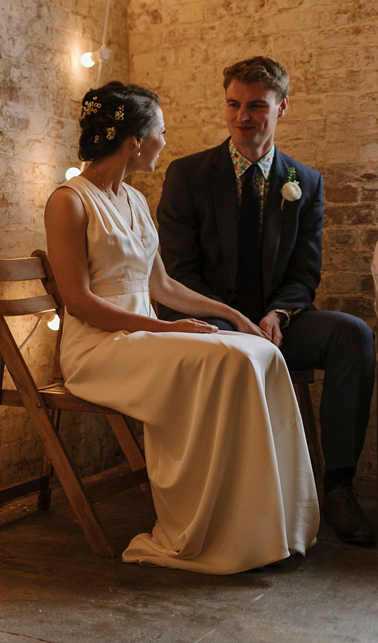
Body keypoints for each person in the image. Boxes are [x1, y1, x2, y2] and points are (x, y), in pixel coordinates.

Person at [45, 81, 319, 574]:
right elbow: (79, 302)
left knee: (256, 351)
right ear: (135, 140)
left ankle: (265, 523)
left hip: (141, 337)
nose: (165, 143)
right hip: (97, 351)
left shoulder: (132, 200)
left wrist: (234, 318)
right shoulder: (69, 201)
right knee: (224, 361)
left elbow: (164, 288)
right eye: (161, 132)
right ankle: (210, 529)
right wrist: (168, 331)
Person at [157, 57, 377, 547]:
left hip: (278, 322)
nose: (242, 117)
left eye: (256, 106)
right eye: (234, 105)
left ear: (282, 107)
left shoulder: (306, 182)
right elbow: (178, 271)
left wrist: (278, 314)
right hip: (209, 322)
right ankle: (245, 497)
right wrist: (232, 320)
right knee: (239, 345)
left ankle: (339, 487)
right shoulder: (188, 175)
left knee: (353, 335)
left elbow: (305, 272)